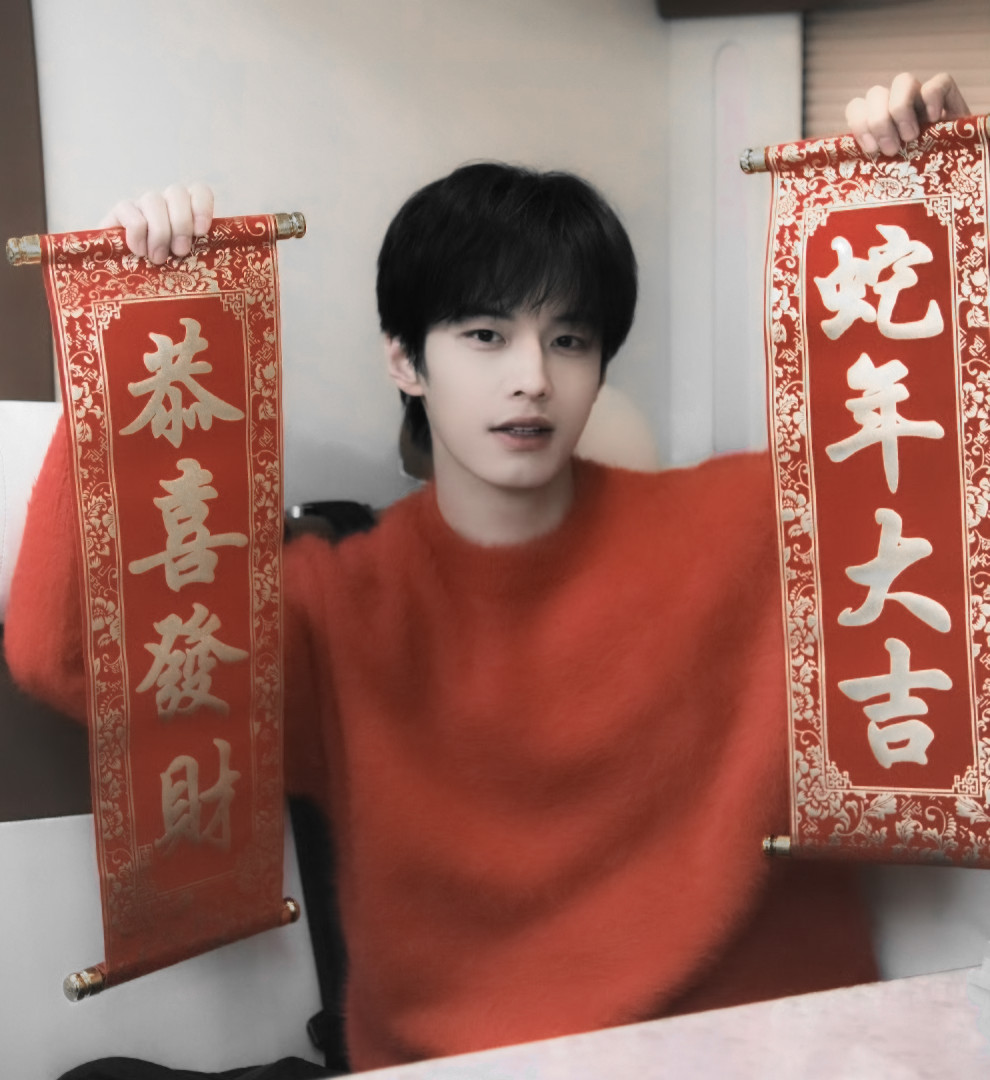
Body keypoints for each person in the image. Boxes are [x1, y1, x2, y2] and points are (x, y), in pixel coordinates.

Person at [4, 73, 971, 1073]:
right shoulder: (340, 608)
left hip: (762, 1053)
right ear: (405, 361)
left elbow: (950, 503)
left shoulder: (753, 526)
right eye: (485, 335)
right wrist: (129, 326)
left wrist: (935, 203)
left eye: (570, 340)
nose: (533, 378)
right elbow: (74, 659)